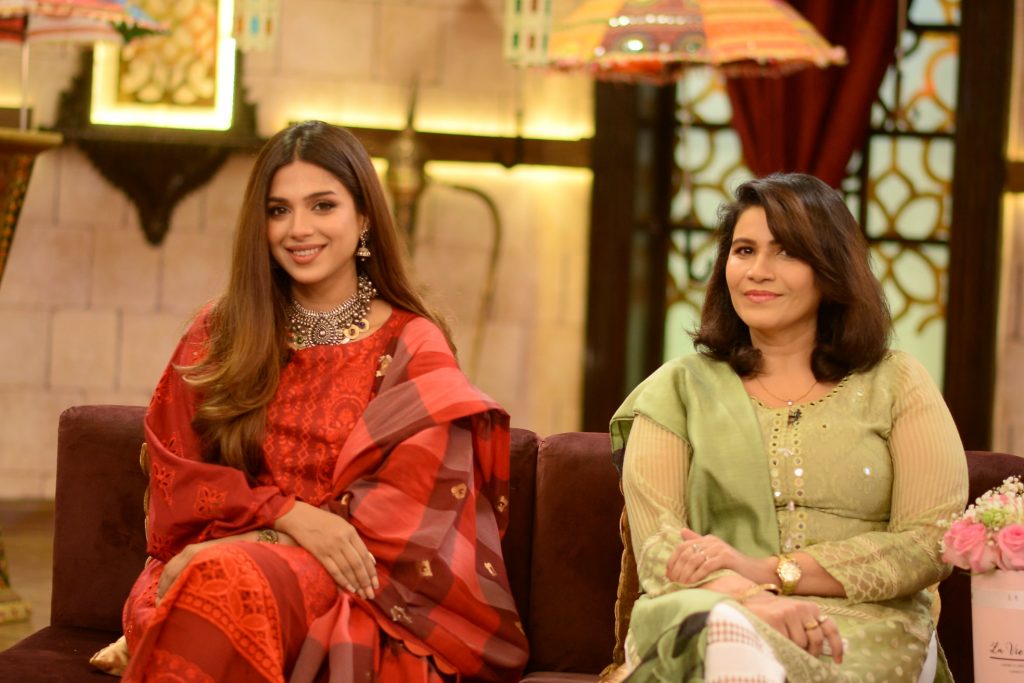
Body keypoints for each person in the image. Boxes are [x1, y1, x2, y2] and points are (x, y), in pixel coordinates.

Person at [97, 120, 528, 682]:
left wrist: (267, 540)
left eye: (323, 206)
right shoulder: (224, 330)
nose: (298, 229)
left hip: (347, 582)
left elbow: (402, 521)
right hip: (201, 559)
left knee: (225, 584)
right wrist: (287, 517)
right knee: (214, 580)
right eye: (278, 211)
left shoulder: (410, 345)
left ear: (365, 217)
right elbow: (177, 471)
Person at [609, 173, 968, 682]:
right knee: (714, 630)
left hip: (869, 626)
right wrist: (753, 600)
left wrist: (773, 572)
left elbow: (930, 542)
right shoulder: (679, 390)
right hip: (715, 605)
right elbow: (661, 550)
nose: (758, 271)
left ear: (830, 268)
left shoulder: (896, 382)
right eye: (744, 250)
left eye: (785, 253)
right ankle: (736, 645)